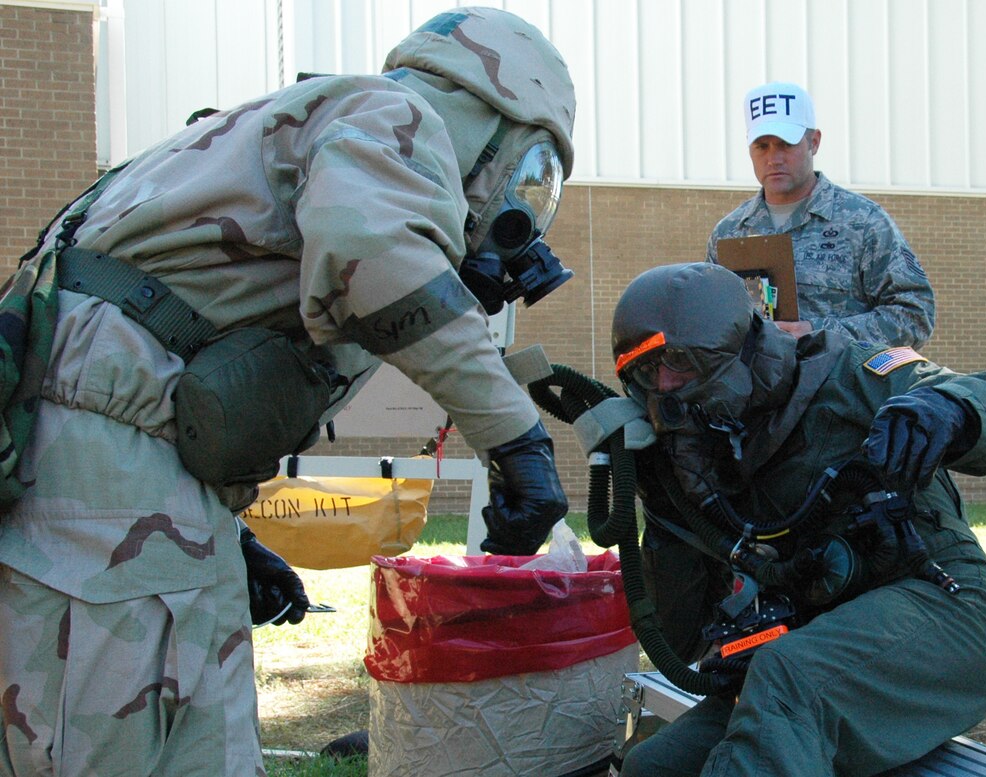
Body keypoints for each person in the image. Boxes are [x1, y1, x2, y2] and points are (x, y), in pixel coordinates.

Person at [0, 7, 573, 775]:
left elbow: (173, 352)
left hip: (131, 491)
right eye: (531, 174)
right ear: (488, 119)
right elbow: (373, 255)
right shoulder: (393, 115)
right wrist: (519, 442)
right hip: (99, 496)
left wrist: (227, 538)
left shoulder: (304, 132)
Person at [610, 262, 986, 776]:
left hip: (943, 608)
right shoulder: (698, 460)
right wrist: (661, 503)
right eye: (645, 371)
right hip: (810, 641)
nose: (663, 387)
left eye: (677, 362)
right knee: (654, 766)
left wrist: (950, 410)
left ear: (738, 348)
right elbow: (681, 641)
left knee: (787, 674)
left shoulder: (852, 375)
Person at [706, 81, 936, 349]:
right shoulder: (729, 233)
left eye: (785, 144)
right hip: (758, 390)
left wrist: (819, 334)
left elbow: (916, 316)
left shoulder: (863, 223)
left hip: (842, 388)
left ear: (813, 143)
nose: (774, 158)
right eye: (762, 146)